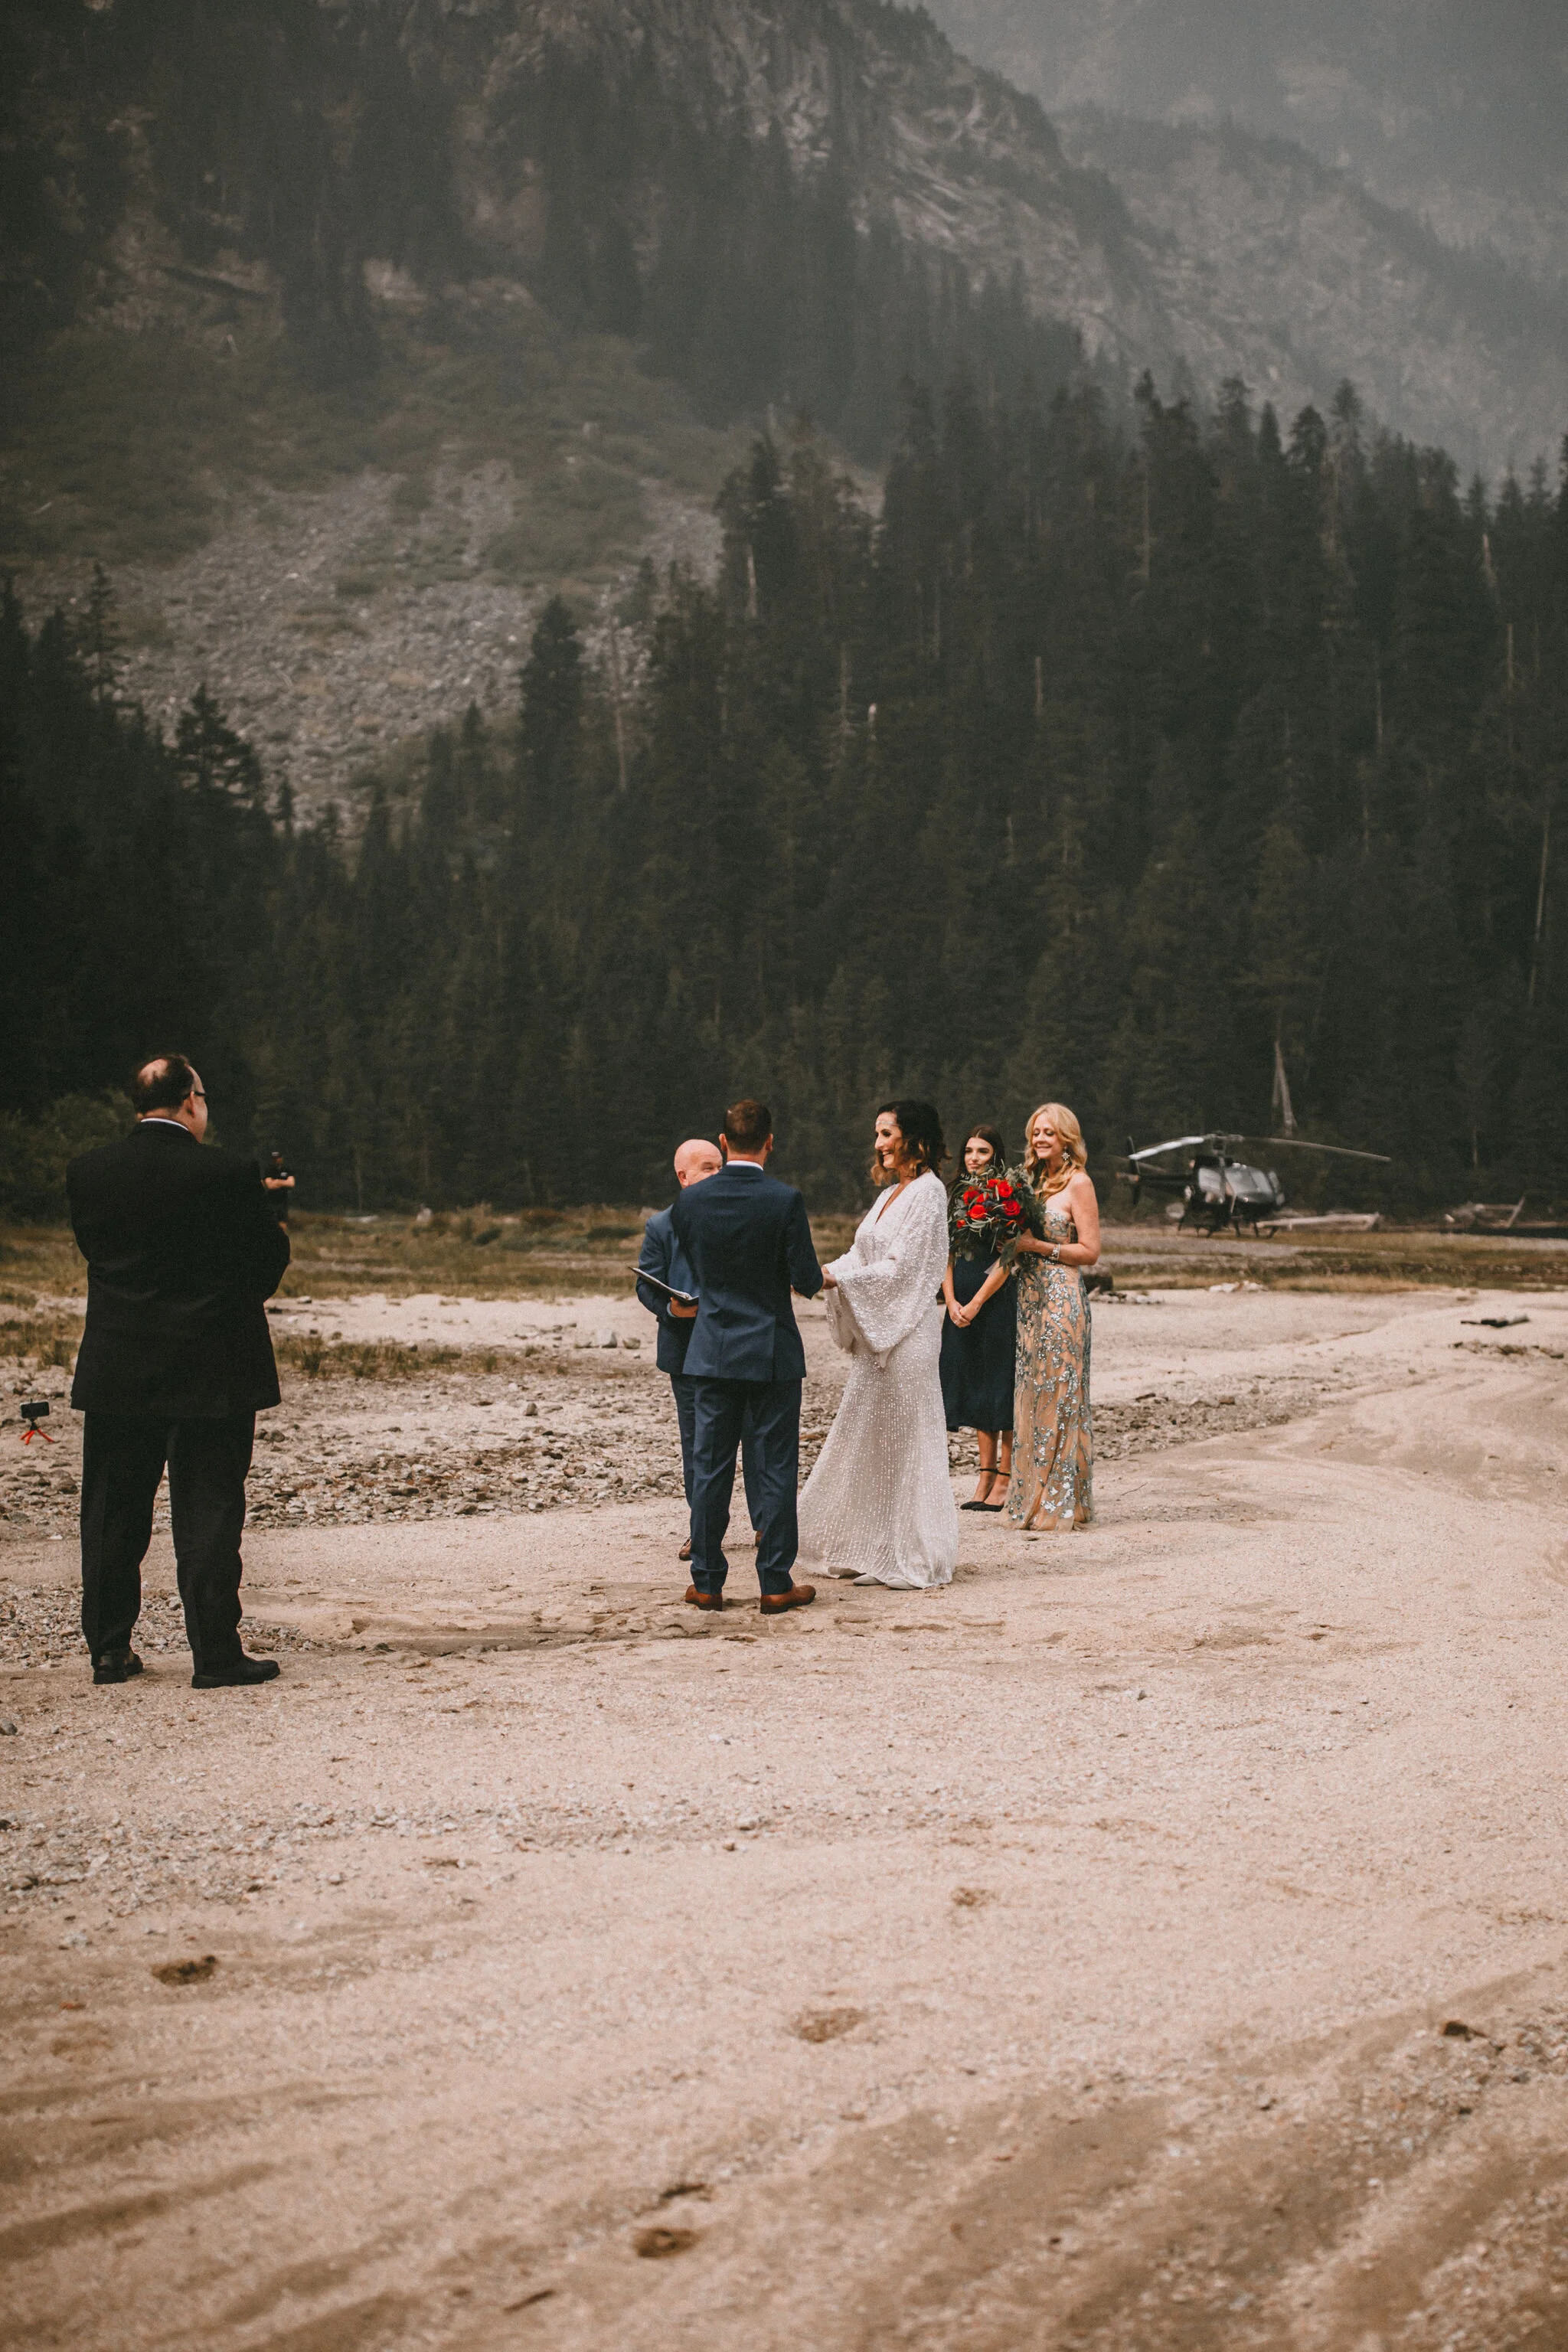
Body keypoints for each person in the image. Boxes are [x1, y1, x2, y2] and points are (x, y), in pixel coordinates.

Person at [67, 1054, 291, 1688]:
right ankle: (214, 1653)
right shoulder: (227, 1173)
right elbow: (262, 1267)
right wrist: (276, 1215)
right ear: (191, 1101)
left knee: (113, 1513)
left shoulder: (89, 1172)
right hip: (212, 1366)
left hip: (119, 1364)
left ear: (140, 1104)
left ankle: (110, 1650)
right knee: (209, 1512)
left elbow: (100, 1252)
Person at [668, 1098, 822, 1614]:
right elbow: (806, 1279)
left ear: (724, 1143)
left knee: (709, 1467)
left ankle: (708, 1581)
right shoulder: (785, 1201)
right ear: (771, 1143)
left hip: (711, 1349)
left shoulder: (691, 1203)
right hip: (772, 1350)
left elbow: (696, 1264)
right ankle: (775, 1580)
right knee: (775, 1466)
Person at [797, 1101, 959, 1590]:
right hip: (879, 1335)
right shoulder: (891, 1193)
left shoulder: (929, 1193)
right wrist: (825, 1272)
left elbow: (904, 1268)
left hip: (908, 1333)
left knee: (908, 1440)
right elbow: (862, 1254)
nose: (878, 1143)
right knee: (872, 1438)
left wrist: (833, 1283)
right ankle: (873, 1547)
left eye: (886, 1133)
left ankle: (913, 1554)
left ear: (914, 1139)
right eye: (877, 1134)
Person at [636, 1138, 764, 1562]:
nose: (715, 1174)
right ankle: (704, 1532)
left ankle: (765, 1525)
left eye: (718, 1166)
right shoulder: (662, 1225)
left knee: (756, 1438)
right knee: (699, 1446)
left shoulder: (742, 1214)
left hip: (742, 1344)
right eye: (706, 1168)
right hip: (687, 1349)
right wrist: (671, 1307)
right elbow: (645, 1282)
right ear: (683, 1177)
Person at [1007, 1102, 1099, 1533]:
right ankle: (1031, 1493)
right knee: (1032, 1391)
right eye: (1035, 1133)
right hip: (1030, 1299)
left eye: (1048, 1132)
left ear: (1066, 1138)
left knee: (1061, 1394)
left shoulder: (1079, 1184)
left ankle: (1062, 1501)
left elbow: (1091, 1252)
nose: (1040, 1139)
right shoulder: (1028, 1184)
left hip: (1063, 1297)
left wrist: (1040, 1248)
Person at [940, 1123, 1018, 1512]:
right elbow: (947, 1254)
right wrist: (952, 1301)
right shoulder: (955, 1195)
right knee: (971, 1383)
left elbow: (1010, 1258)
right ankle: (984, 1475)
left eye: (983, 1151)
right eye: (969, 1150)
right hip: (960, 1304)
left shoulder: (1010, 1197)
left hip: (997, 1302)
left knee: (998, 1386)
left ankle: (1005, 1478)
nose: (973, 1158)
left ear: (997, 1156)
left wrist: (976, 1304)